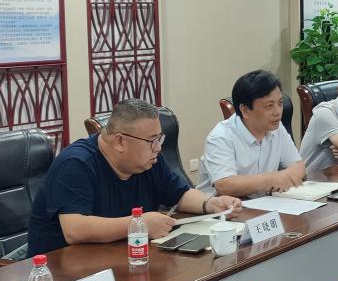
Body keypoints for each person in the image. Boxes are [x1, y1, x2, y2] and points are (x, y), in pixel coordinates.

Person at [28, 100, 240, 255]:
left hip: (121, 255)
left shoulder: (148, 160)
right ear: (120, 141)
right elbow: (75, 229)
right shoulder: (76, 163)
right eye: (152, 140)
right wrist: (139, 224)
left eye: (160, 139)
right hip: (64, 270)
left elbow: (178, 194)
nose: (158, 147)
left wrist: (211, 204)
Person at [197, 70, 306, 197]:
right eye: (269, 106)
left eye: (280, 103)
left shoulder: (277, 128)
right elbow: (225, 185)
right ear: (245, 110)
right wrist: (271, 179)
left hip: (264, 204)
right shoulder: (221, 136)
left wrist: (286, 177)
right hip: (222, 207)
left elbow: (298, 166)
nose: (278, 112)